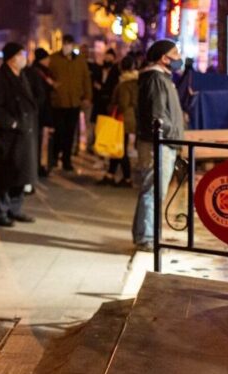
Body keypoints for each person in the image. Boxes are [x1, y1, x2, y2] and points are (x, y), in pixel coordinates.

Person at [133, 40, 185, 252]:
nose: (179, 57)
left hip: (164, 142)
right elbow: (157, 115)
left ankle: (145, 235)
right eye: (175, 53)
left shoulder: (162, 78)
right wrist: (168, 135)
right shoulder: (156, 78)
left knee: (154, 190)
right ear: (164, 58)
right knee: (153, 191)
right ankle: (147, 237)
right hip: (158, 144)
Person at [0, 42, 38, 227]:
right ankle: (0, 212)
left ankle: (15, 209)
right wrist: (12, 123)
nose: (24, 58)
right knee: (4, 175)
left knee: (21, 174)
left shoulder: (22, 76)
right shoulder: (0, 79)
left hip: (24, 135)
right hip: (8, 136)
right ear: (12, 58)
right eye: (22, 54)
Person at [48, 34, 92, 171]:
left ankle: (66, 159)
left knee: (70, 132)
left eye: (69, 43)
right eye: (65, 43)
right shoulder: (54, 59)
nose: (67, 46)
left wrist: (87, 97)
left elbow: (86, 80)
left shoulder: (80, 61)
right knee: (58, 131)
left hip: (74, 102)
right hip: (58, 102)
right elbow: (47, 76)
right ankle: (54, 157)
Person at [99, 55, 138, 187]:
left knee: (120, 149)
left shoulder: (124, 84)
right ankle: (110, 175)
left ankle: (127, 178)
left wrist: (110, 106)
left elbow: (123, 104)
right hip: (129, 119)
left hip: (121, 120)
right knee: (117, 147)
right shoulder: (136, 82)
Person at [25, 47, 56, 176]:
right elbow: (38, 95)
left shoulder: (45, 72)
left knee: (38, 140)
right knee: (34, 141)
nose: (49, 60)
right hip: (37, 112)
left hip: (41, 112)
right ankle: (34, 167)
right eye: (47, 58)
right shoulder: (35, 73)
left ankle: (36, 166)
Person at [91, 48, 121, 129]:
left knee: (107, 124)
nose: (107, 59)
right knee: (97, 123)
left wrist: (102, 88)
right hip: (98, 100)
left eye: (109, 57)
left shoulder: (116, 71)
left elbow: (114, 86)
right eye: (106, 57)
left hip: (109, 101)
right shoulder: (99, 69)